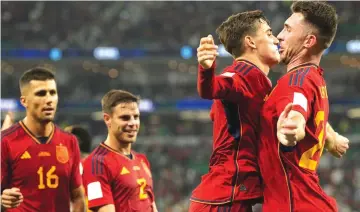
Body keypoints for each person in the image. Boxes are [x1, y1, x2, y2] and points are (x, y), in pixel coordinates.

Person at [258, 2, 348, 211]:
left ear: (309, 41)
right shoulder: (315, 78)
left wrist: (292, 130)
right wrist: (331, 136)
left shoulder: (295, 83)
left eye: (288, 29)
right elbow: (305, 108)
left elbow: (297, 113)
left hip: (293, 205)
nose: (279, 36)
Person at [189, 10, 280, 211]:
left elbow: (217, 112)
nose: (276, 39)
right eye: (269, 33)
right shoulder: (241, 74)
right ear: (251, 42)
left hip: (233, 195)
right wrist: (206, 69)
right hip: (225, 197)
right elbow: (213, 88)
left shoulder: (261, 82)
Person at [1, 67, 85, 211]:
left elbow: (77, 197)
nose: (49, 100)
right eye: (41, 94)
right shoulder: (5, 141)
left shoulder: (69, 141)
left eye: (52, 93)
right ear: (24, 101)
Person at [82, 89, 158, 212]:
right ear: (107, 119)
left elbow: (152, 206)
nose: (133, 123)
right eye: (125, 118)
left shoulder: (142, 160)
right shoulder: (95, 164)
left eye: (136, 117)